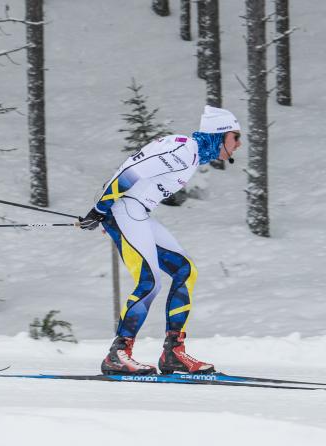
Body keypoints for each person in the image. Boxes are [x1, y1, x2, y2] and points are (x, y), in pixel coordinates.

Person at [79, 106, 242, 375]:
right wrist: (101, 209)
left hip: (134, 212)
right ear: (220, 134)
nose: (238, 145)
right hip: (125, 209)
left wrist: (102, 210)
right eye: (235, 137)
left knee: (184, 270)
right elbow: (129, 173)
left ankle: (173, 353)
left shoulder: (190, 153)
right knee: (150, 281)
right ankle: (118, 354)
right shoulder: (185, 151)